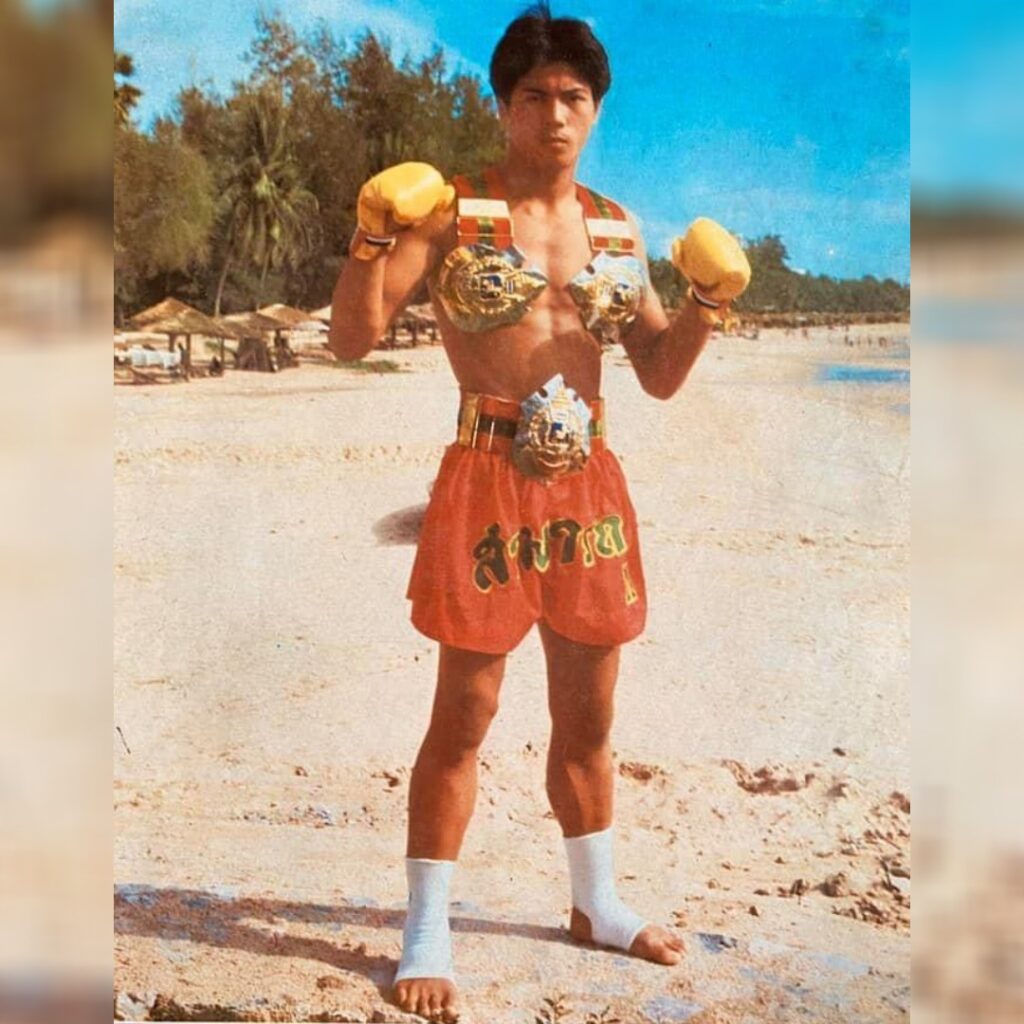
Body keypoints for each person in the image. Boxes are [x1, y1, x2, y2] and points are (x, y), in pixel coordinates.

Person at [328, 5, 750, 1020]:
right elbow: (353, 335)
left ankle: (594, 903)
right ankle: (427, 930)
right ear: (503, 104)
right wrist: (369, 234)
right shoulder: (453, 210)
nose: (555, 115)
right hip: (484, 472)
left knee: (589, 716)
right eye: (534, 96)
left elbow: (652, 374)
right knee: (464, 713)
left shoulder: (616, 226)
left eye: (574, 97)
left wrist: (704, 308)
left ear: (595, 109)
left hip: (587, 481)